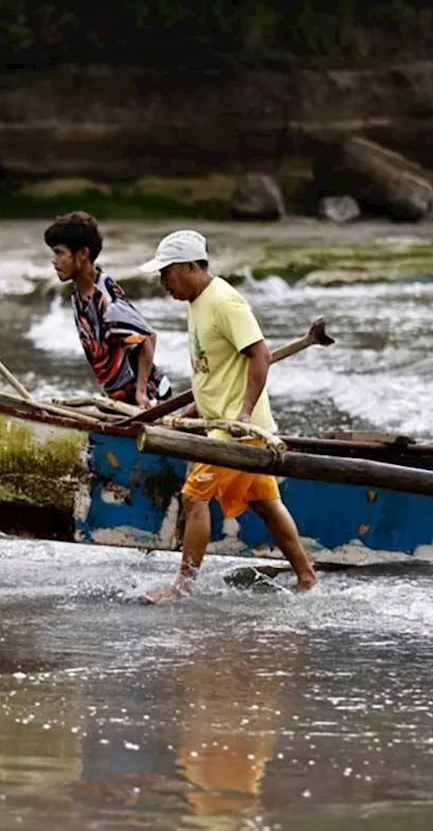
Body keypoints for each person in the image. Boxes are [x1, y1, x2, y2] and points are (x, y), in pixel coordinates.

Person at [137, 229, 317, 602]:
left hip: (238, 430)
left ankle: (182, 586)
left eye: (167, 273)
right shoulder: (197, 303)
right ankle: (307, 577)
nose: (163, 282)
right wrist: (189, 412)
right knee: (265, 504)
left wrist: (246, 413)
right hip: (220, 423)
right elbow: (213, 373)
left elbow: (260, 354)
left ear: (190, 266)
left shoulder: (224, 302)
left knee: (194, 497)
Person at [44, 211, 171, 409]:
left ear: (83, 254)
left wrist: (141, 391)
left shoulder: (107, 304)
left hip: (147, 401)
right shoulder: (79, 294)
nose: (54, 261)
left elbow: (147, 338)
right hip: (118, 398)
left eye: (59, 253)